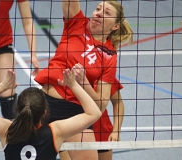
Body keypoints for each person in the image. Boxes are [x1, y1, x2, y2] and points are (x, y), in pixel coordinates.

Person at [34, 0, 133, 159]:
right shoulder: (77, 23)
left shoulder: (109, 56)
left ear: (115, 26)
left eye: (107, 13)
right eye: (98, 9)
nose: (99, 13)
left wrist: (84, 83)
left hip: (75, 112)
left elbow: (101, 104)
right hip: (45, 106)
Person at [0, 69, 102, 160]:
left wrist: (2, 86)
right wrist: (74, 85)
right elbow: (94, 113)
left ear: (18, 110)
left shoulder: (7, 131)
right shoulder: (56, 132)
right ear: (45, 112)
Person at [59, 78, 124, 160]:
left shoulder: (105, 76)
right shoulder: (66, 77)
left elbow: (118, 102)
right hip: (72, 133)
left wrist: (116, 131)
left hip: (101, 133)